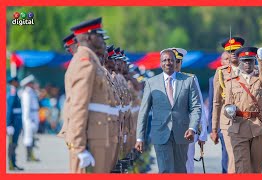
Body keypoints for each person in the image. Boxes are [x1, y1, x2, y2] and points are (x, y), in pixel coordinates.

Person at [58, 17, 120, 173]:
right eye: (99, 35)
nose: (102, 39)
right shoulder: (84, 61)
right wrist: (78, 146)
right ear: (89, 37)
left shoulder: (91, 61)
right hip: (90, 136)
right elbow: (79, 104)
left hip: (96, 133)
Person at [135, 49, 202, 173]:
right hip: (161, 133)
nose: (168, 63)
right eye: (164, 60)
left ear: (176, 61)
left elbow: (196, 107)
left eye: (171, 60)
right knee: (166, 170)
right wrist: (140, 138)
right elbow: (143, 111)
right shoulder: (151, 83)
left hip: (183, 133)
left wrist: (192, 128)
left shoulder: (188, 81)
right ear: (160, 63)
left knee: (180, 170)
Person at [223, 46, 262, 173]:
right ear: (240, 62)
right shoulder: (231, 82)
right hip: (239, 128)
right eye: (245, 61)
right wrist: (229, 111)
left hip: (257, 127)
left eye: (250, 60)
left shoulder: (260, 81)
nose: (247, 64)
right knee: (242, 167)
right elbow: (226, 105)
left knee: (257, 168)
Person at [168, 47, 207, 173]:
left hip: (186, 130)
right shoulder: (159, 81)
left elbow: (199, 105)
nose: (174, 64)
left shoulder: (190, 79)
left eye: (177, 61)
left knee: (187, 163)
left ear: (181, 63)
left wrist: (203, 132)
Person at [210, 37, 245, 173]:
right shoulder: (221, 73)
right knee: (232, 159)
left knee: (248, 160)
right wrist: (214, 129)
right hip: (229, 123)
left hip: (249, 121)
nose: (234, 53)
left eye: (236, 50)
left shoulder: (251, 70)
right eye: (230, 51)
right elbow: (217, 102)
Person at [20, 74, 40, 162]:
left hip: (33, 115)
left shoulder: (32, 92)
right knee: (28, 137)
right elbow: (27, 107)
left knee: (32, 136)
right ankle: (29, 156)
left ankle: (31, 155)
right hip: (30, 117)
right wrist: (28, 119)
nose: (33, 84)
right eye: (31, 83)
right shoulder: (27, 93)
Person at [6, 77, 24, 171]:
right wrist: (9, 124)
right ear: (13, 82)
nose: (18, 83)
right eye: (16, 82)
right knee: (12, 144)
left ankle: (14, 162)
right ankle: (11, 164)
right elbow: (9, 110)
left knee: (15, 143)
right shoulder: (12, 92)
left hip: (16, 122)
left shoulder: (15, 91)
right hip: (13, 123)